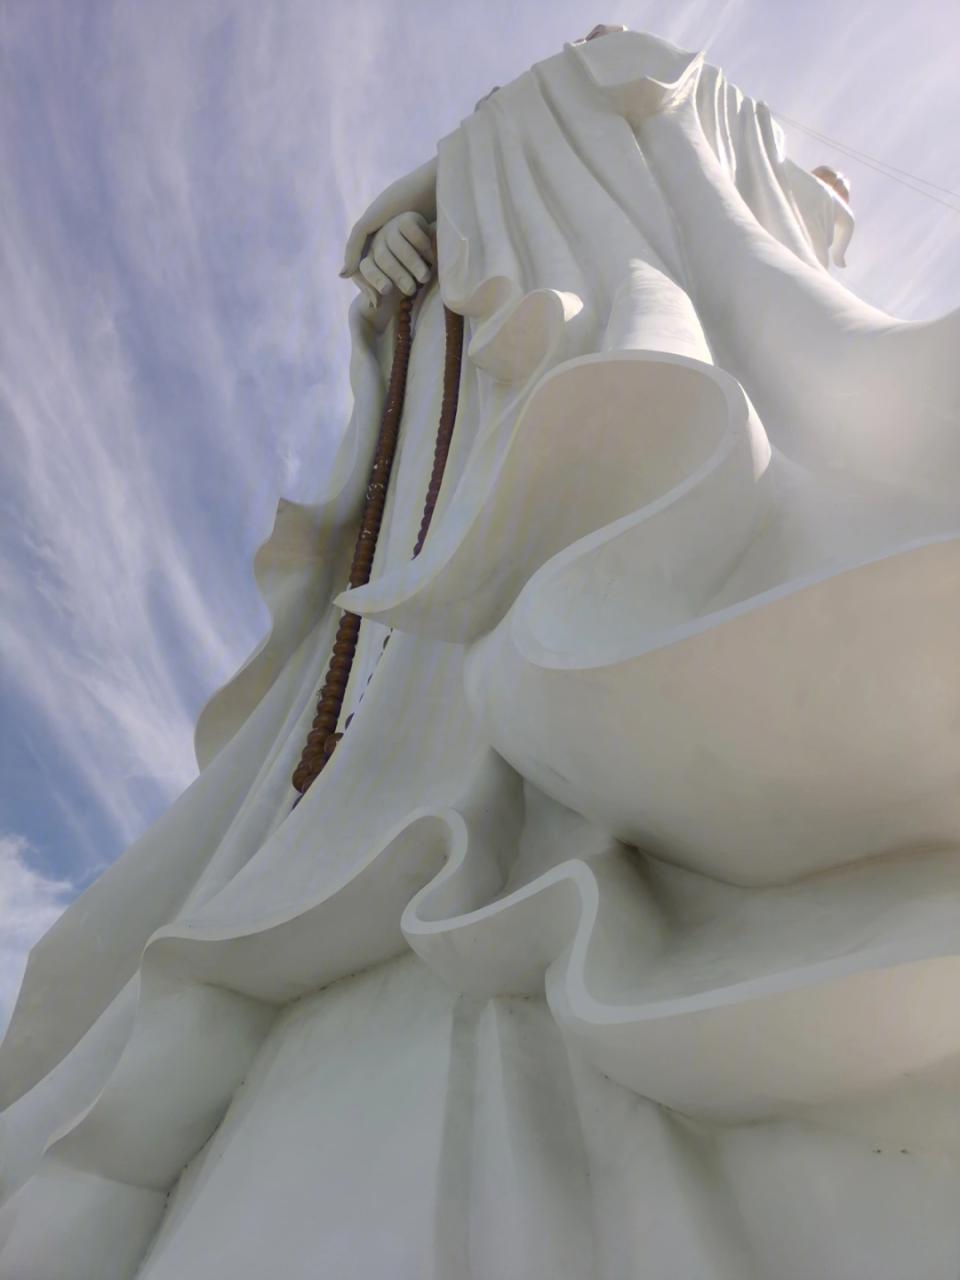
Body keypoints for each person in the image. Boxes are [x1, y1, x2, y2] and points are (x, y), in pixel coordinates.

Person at [2, 26, 960, 1280]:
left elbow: (670, 128)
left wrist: (413, 204)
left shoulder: (646, 98)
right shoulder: (564, 120)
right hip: (443, 644)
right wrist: (406, 227)